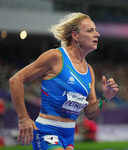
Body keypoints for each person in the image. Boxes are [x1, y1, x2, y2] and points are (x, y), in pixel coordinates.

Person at [9, 12, 119, 150]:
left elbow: (90, 113)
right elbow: (16, 80)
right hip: (46, 131)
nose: (97, 34)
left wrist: (105, 98)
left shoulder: (89, 70)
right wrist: (23, 118)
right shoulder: (56, 57)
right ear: (75, 35)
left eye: (96, 30)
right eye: (90, 30)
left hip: (69, 135)